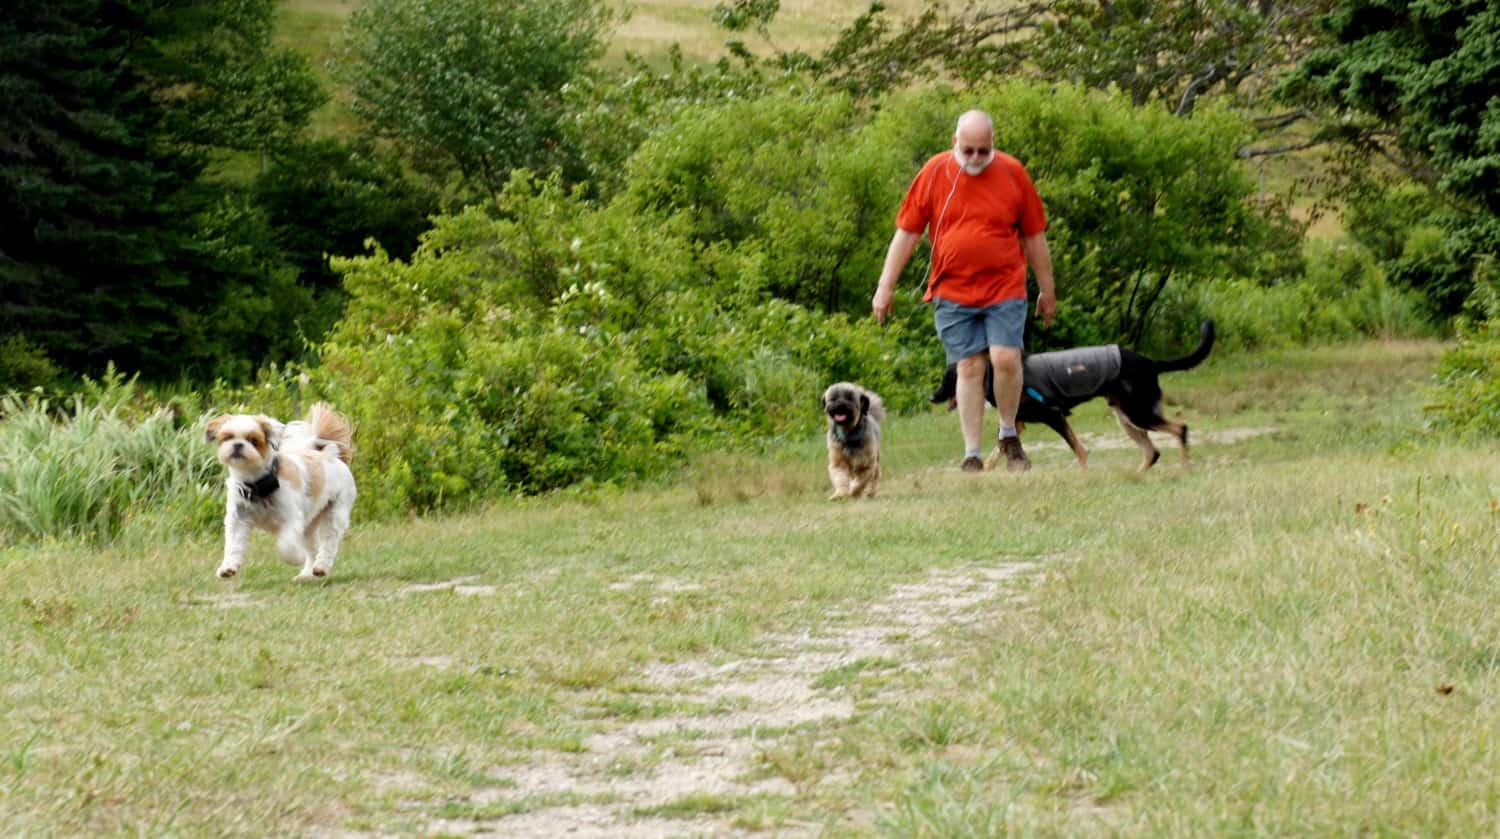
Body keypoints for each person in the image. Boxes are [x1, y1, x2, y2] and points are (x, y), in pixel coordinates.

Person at [872, 109, 1057, 472]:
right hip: (952, 289)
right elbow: (907, 232)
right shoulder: (934, 172)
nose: (975, 159)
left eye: (982, 152)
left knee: (1005, 358)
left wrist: (1046, 290)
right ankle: (972, 453)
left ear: (993, 146)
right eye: (968, 150)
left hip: (1005, 285)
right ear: (955, 143)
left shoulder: (1013, 172)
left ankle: (1008, 433)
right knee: (969, 366)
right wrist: (885, 287)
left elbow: (1034, 236)